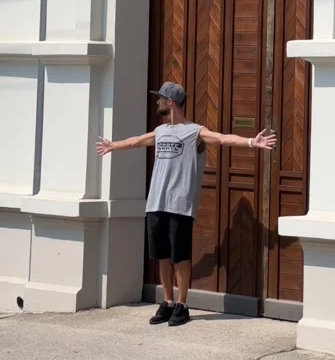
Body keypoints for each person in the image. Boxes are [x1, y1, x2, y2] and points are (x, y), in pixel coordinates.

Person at [96, 81, 276, 327]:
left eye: (160, 99)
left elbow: (222, 138)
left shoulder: (195, 131)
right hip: (156, 203)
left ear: (170, 102)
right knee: (162, 256)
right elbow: (137, 141)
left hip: (180, 205)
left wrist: (250, 143)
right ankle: (168, 303)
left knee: (180, 257)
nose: (157, 102)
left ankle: (182, 305)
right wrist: (112, 146)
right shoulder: (160, 131)